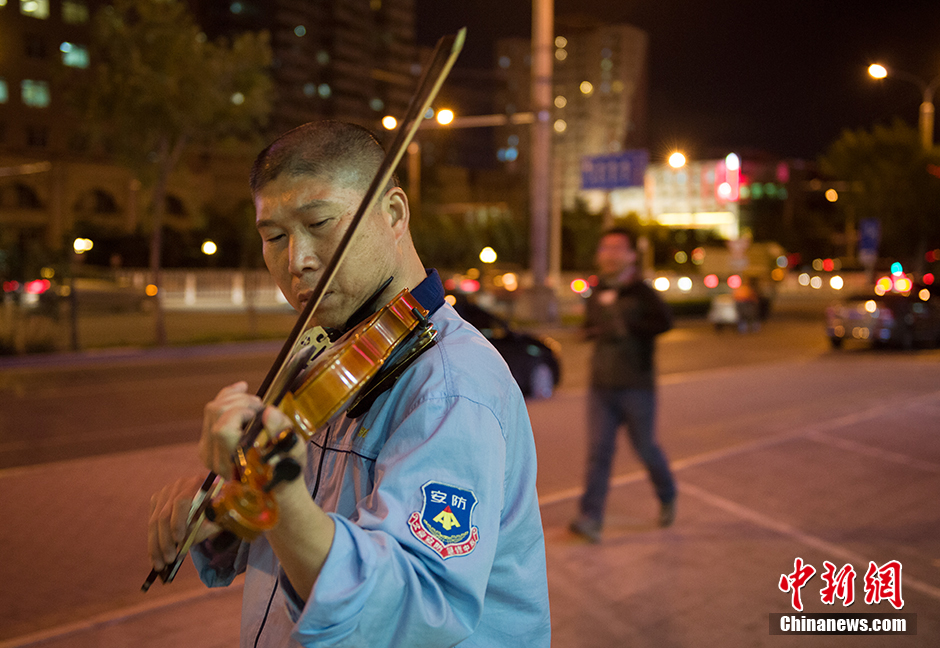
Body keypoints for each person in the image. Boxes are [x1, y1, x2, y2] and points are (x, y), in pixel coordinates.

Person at [147, 121, 551, 647]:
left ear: (394, 213)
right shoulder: (328, 353)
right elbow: (302, 523)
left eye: (319, 222)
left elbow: (418, 611)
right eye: (274, 237)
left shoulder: (451, 385)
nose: (298, 261)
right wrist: (219, 517)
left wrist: (282, 497)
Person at [569, 228, 677, 543]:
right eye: (605, 247)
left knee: (645, 447)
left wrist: (629, 328)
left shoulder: (642, 292)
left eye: (618, 248)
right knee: (598, 453)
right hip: (602, 385)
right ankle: (591, 518)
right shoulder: (597, 289)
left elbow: (665, 322)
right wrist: (590, 331)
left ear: (631, 255)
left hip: (636, 385)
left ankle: (667, 494)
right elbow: (592, 324)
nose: (610, 253)